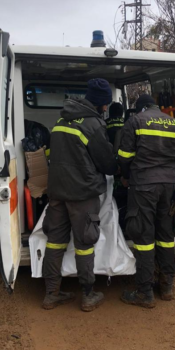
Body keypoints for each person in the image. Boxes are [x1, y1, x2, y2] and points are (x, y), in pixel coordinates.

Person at [42, 78, 118, 312]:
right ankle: (87, 294)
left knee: (54, 241)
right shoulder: (94, 125)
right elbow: (107, 163)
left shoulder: (61, 120)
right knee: (85, 242)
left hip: (56, 192)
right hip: (83, 195)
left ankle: (51, 294)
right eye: (105, 105)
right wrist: (118, 168)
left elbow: (51, 153)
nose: (106, 108)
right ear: (101, 104)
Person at [118, 94, 175, 308]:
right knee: (166, 235)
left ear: (140, 108)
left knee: (144, 237)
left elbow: (124, 155)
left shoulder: (135, 121)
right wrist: (172, 177)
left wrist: (126, 177)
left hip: (143, 185)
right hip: (168, 186)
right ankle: (166, 287)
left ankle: (144, 292)